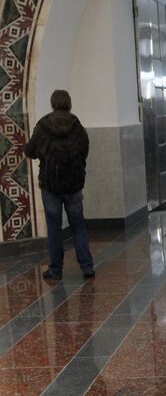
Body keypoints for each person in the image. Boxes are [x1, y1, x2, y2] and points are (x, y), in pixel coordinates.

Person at [25, 88, 94, 281]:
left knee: (54, 227)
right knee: (78, 225)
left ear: (53, 103)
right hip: (73, 184)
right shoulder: (76, 125)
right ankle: (87, 266)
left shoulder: (43, 125)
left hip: (50, 185)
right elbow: (84, 150)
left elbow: (30, 151)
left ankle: (55, 270)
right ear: (69, 103)